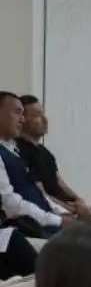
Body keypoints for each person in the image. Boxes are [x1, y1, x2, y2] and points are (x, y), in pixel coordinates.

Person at [16, 95, 91, 219]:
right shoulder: (18, 150)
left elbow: (59, 182)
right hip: (43, 215)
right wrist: (72, 210)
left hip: (61, 210)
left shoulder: (44, 152)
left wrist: (80, 201)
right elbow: (39, 193)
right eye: (37, 116)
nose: (45, 119)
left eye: (43, 114)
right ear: (22, 119)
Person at [0, 92, 65, 235]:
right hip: (27, 230)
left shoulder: (14, 152)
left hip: (46, 224)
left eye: (23, 114)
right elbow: (11, 205)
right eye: (17, 112)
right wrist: (59, 220)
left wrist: (65, 213)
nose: (22, 120)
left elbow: (40, 195)